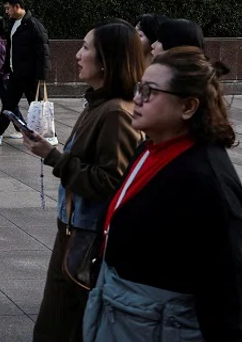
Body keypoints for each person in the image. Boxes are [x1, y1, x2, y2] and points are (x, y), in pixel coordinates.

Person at [83, 47, 242, 340]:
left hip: (160, 326)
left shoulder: (206, 179)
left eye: (150, 91)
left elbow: (225, 287)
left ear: (188, 107)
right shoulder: (149, 147)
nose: (138, 99)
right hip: (123, 313)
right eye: (139, 88)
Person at [22, 20, 144, 341]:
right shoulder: (99, 104)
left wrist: (53, 156)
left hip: (85, 239)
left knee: (62, 325)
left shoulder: (116, 113)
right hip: (73, 232)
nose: (78, 55)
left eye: (86, 48)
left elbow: (110, 181)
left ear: (107, 61)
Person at [0, 0, 51, 145]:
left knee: (37, 105)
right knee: (9, 105)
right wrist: (6, 69)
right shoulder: (13, 23)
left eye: (8, 8)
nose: (6, 11)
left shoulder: (33, 25)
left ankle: (50, 135)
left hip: (30, 75)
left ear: (17, 6)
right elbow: (10, 49)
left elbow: (43, 52)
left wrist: (41, 76)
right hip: (16, 73)